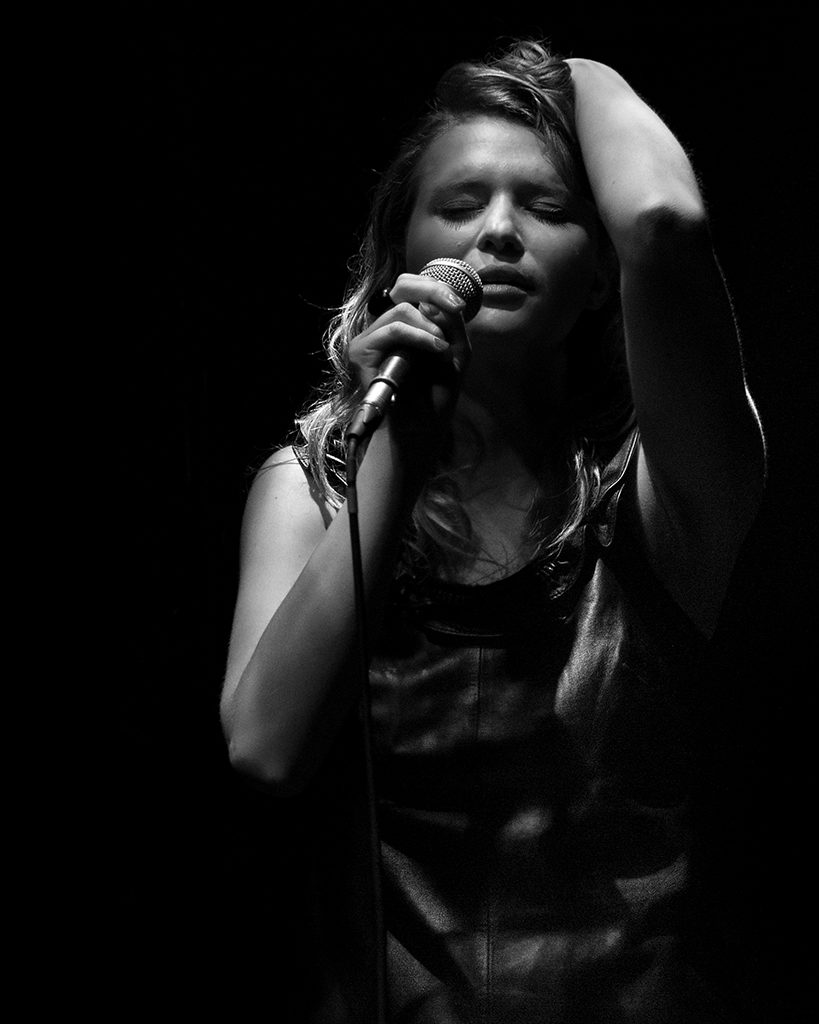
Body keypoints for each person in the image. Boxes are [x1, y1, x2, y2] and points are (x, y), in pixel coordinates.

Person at [221, 39, 765, 1023]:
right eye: (461, 204)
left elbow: (664, 223)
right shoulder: (312, 486)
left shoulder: (664, 496)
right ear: (402, 256)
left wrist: (568, 69)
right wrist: (396, 455)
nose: (500, 232)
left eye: (547, 207)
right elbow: (265, 747)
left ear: (597, 277)